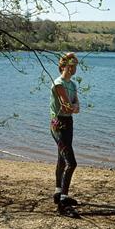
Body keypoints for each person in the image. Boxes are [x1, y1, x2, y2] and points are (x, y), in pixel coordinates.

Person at [50, 52, 80, 217]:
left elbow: (77, 107)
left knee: (62, 159)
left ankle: (58, 192)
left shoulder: (73, 85)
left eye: (75, 66)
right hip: (58, 124)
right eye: (70, 65)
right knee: (71, 162)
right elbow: (69, 107)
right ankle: (62, 203)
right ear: (63, 66)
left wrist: (73, 106)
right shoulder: (58, 84)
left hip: (68, 124)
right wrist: (72, 106)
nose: (73, 68)